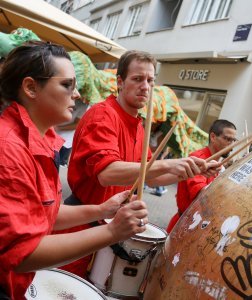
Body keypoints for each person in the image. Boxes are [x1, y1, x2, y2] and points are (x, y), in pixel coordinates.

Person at [0, 41, 148, 300]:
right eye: (67, 85)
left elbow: (45, 214)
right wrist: (111, 231)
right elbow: (22, 254)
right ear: (31, 87)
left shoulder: (39, 140)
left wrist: (103, 210)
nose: (77, 94)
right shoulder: (9, 149)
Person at [63, 50, 220, 276]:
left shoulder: (138, 124)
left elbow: (150, 175)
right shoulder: (103, 115)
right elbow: (106, 173)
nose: (145, 86)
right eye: (137, 79)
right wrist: (168, 164)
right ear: (120, 82)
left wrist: (192, 169)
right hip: (83, 224)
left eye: (150, 80)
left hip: (112, 226)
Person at [166, 119, 237, 233]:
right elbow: (202, 195)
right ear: (213, 137)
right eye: (227, 139)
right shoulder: (199, 159)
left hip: (199, 228)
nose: (232, 145)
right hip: (183, 227)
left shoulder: (218, 165)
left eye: (234, 140)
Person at [55, 99, 88, 167]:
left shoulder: (83, 104)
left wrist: (58, 127)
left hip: (66, 140)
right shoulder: (60, 97)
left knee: (58, 163)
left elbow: (77, 124)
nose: (76, 94)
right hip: (51, 135)